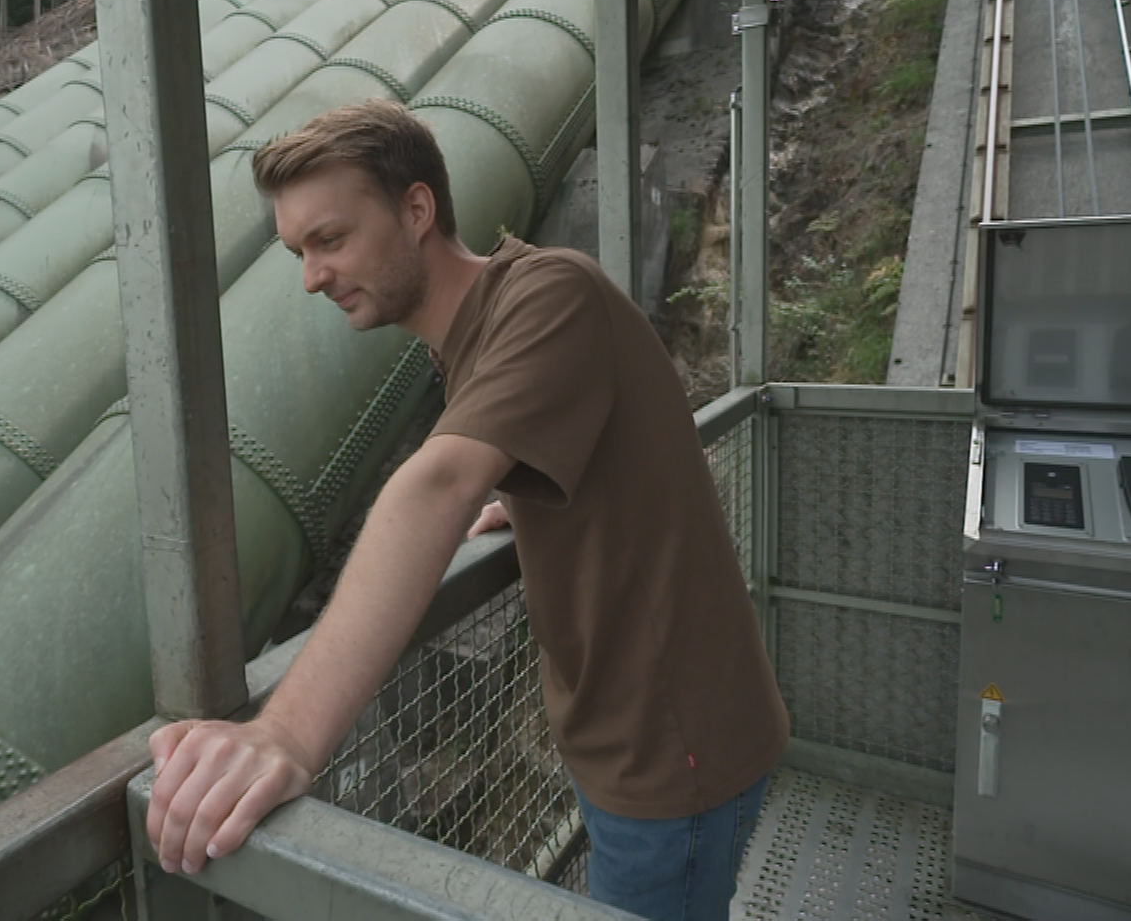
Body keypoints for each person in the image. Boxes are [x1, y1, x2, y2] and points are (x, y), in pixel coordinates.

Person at [145, 100, 787, 920]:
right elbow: (603, 448)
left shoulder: (553, 292)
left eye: (330, 239)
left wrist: (286, 734)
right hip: (625, 743)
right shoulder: (477, 338)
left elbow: (439, 483)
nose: (312, 276)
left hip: (672, 755)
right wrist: (527, 504)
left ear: (417, 210)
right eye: (299, 252)